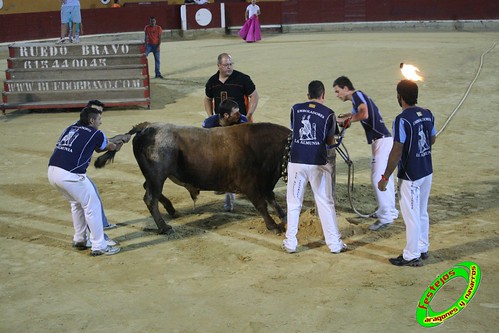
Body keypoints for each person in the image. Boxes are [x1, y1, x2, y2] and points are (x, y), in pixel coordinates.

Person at [48, 106, 131, 256]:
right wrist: (121, 141)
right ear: (92, 120)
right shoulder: (95, 133)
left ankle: (80, 239)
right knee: (92, 205)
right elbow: (109, 146)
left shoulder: (71, 128)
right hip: (71, 175)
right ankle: (99, 245)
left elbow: (98, 146)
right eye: (99, 119)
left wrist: (116, 138)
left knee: (76, 204)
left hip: (52, 172)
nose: (101, 122)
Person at [282, 80, 347, 254]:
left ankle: (290, 243)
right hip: (317, 162)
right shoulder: (328, 113)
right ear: (323, 96)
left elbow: (295, 131)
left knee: (294, 202)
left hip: (296, 161)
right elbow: (330, 142)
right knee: (325, 202)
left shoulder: (295, 109)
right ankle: (334, 244)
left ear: (308, 95)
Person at [378, 80, 436, 267]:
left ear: (399, 97)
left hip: (411, 175)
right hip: (427, 170)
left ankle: (411, 255)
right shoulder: (428, 114)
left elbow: (397, 150)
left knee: (411, 215)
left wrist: (385, 176)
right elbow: (432, 139)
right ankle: (422, 246)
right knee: (421, 212)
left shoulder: (401, 119)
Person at [333, 76, 399, 231]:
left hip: (381, 141)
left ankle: (386, 217)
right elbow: (356, 113)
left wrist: (348, 120)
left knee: (378, 177)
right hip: (383, 140)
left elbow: (364, 114)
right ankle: (390, 210)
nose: (337, 95)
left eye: (337, 91)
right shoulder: (358, 97)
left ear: (345, 88)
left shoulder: (357, 96)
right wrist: (343, 117)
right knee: (384, 176)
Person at [202, 99, 248, 211]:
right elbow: (203, 144)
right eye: (236, 113)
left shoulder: (243, 121)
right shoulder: (208, 124)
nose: (239, 115)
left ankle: (230, 194)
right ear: (226, 115)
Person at [204, 53, 259, 122]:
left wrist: (249, 115)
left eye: (230, 64)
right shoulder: (212, 81)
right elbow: (208, 99)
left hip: (239, 121)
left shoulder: (242, 79)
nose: (229, 67)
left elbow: (254, 95)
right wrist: (211, 116)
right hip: (221, 122)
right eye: (226, 65)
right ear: (219, 66)